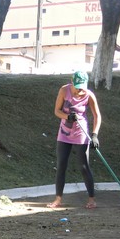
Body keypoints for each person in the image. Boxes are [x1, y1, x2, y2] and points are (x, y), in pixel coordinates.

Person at [47, 70, 102, 209]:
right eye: (77, 87)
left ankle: (91, 199)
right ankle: (58, 199)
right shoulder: (64, 90)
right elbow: (57, 111)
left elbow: (97, 116)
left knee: (84, 166)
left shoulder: (89, 95)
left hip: (80, 133)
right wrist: (67, 117)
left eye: (82, 87)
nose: (79, 90)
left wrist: (95, 135)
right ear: (72, 82)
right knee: (61, 166)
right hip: (64, 133)